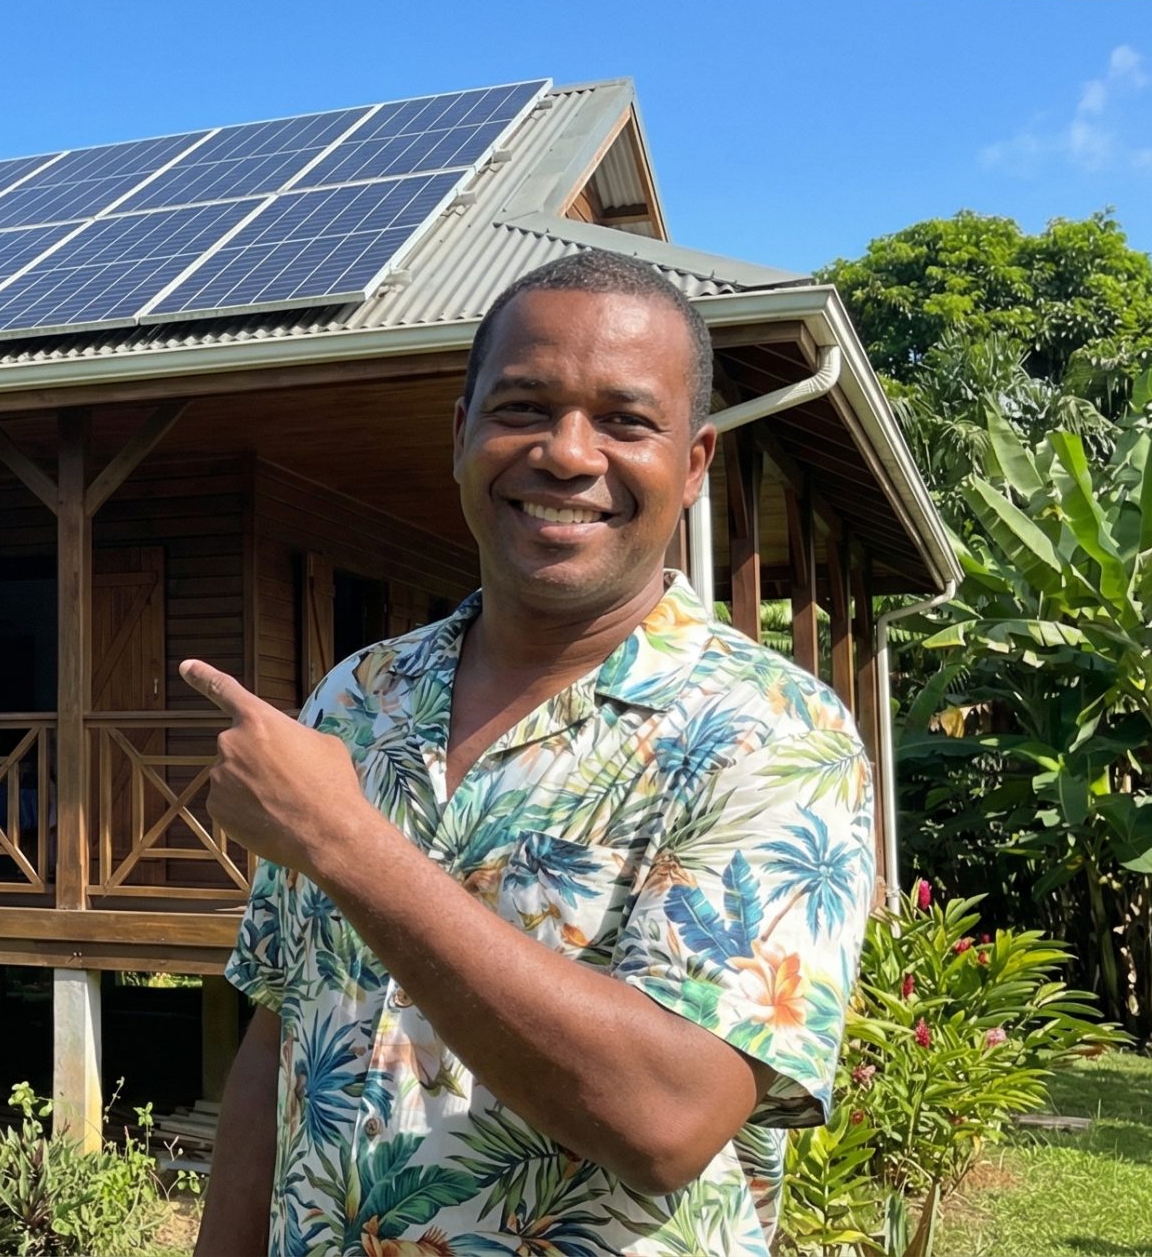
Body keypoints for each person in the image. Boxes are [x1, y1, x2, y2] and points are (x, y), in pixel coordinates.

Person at [186, 250, 874, 1257]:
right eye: (521, 407)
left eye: (625, 420)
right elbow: (279, 1031)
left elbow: (668, 1117)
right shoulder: (357, 699)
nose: (564, 452)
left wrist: (344, 840)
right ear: (461, 435)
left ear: (692, 465)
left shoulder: (770, 731)